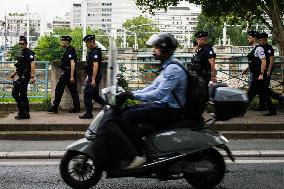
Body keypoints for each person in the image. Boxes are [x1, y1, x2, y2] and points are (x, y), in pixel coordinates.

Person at [120, 33, 187, 169]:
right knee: (126, 110)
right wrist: (129, 94)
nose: (153, 51)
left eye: (156, 48)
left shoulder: (173, 69)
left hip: (171, 110)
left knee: (128, 116)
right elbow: (152, 87)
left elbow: (158, 94)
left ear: (164, 50)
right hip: (164, 106)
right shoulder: (168, 66)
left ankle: (140, 155)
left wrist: (132, 96)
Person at [242, 30, 276, 116]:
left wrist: (261, 74)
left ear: (254, 38)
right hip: (256, 74)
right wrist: (247, 69)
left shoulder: (259, 48)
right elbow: (255, 62)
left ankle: (240, 111)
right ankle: (273, 109)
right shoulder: (255, 49)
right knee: (263, 92)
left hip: (258, 75)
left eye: (249, 38)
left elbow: (263, 61)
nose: (248, 39)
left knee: (251, 93)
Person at [48, 36, 80, 113]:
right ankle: (77, 107)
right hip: (68, 73)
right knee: (73, 91)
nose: (61, 43)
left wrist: (71, 76)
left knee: (59, 89)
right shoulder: (69, 50)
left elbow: (72, 63)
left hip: (68, 73)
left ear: (66, 42)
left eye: (62, 42)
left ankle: (55, 107)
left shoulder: (70, 50)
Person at [79, 35, 106, 119]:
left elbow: (95, 66)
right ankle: (107, 105)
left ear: (91, 43)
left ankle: (89, 113)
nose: (86, 45)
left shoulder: (95, 52)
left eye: (87, 44)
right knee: (94, 95)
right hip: (92, 75)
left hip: (94, 76)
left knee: (87, 93)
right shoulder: (93, 51)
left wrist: (93, 79)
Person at [10, 36, 36, 119]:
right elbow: (20, 65)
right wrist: (14, 73)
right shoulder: (22, 52)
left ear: (26, 43)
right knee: (23, 94)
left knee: (14, 93)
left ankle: (22, 112)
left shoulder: (29, 52)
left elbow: (32, 64)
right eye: (20, 44)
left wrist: (32, 76)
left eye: (22, 44)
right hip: (21, 75)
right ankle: (25, 112)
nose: (21, 45)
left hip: (25, 76)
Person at [256, 32, 284, 110]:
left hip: (267, 70)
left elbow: (271, 60)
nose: (260, 40)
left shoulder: (269, 48)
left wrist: (268, 70)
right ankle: (262, 105)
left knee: (264, 87)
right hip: (261, 69)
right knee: (261, 88)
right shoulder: (259, 47)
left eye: (261, 39)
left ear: (265, 39)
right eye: (259, 39)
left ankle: (279, 98)